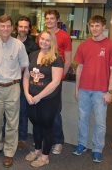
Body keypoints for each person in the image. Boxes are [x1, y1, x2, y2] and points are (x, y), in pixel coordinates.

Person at [73, 15, 112, 163]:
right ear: (89, 27)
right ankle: (82, 144)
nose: (94, 28)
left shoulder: (111, 46)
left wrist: (110, 91)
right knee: (83, 119)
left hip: (101, 91)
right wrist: (77, 88)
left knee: (100, 122)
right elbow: (79, 68)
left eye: (97, 25)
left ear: (104, 27)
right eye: (92, 25)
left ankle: (97, 149)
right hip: (84, 90)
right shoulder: (84, 45)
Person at [0, 15, 29, 168]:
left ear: (12, 28)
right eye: (2, 26)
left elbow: (24, 65)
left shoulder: (18, 45)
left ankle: (9, 152)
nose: (5, 29)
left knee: (12, 122)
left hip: (13, 87)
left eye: (8, 26)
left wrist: (12, 75)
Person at [23, 31, 64, 168]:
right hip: (32, 98)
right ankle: (37, 150)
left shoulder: (56, 58)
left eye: (48, 40)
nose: (44, 42)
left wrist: (38, 97)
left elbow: (55, 82)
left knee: (47, 127)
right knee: (36, 125)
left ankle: (45, 157)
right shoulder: (33, 54)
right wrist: (27, 94)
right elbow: (26, 77)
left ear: (52, 42)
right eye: (42, 39)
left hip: (48, 100)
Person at [44, 9, 72, 155]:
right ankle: (45, 139)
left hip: (55, 79)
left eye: (52, 18)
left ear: (57, 20)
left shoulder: (64, 36)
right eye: (47, 18)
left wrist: (59, 78)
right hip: (44, 78)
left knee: (54, 111)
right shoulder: (43, 36)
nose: (49, 21)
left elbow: (68, 60)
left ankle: (58, 141)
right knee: (43, 110)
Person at [16, 16, 39, 150]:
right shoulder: (11, 41)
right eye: (20, 26)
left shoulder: (33, 45)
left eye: (25, 27)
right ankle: (8, 135)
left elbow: (32, 65)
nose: (23, 29)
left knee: (23, 111)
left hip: (24, 82)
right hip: (10, 81)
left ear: (29, 28)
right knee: (9, 112)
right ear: (17, 27)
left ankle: (22, 138)